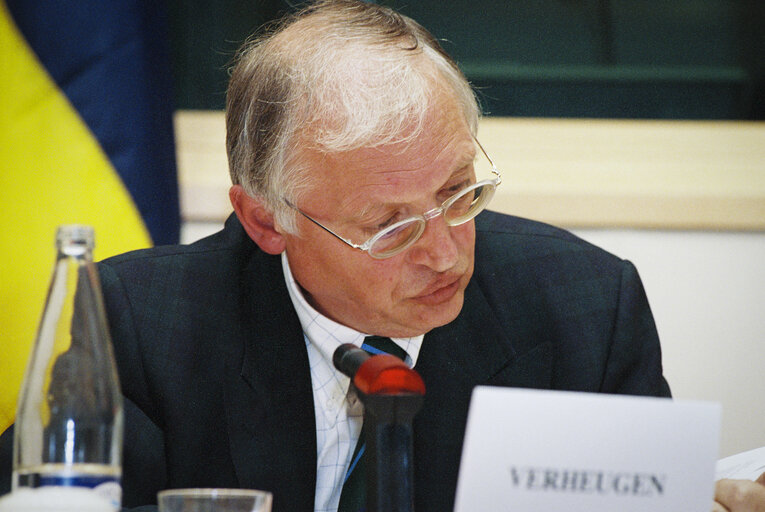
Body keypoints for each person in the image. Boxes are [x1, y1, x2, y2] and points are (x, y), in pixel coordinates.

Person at [0, 1, 761, 511]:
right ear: (267, 222)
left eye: (460, 193)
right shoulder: (142, 322)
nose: (443, 252)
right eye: (389, 227)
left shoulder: (584, 307)